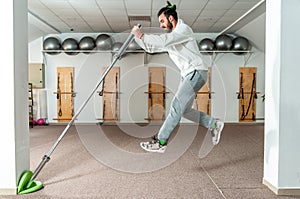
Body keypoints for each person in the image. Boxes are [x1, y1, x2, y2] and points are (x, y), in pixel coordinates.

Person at [131, 1, 224, 153]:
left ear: (171, 19)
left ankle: (161, 142)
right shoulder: (173, 36)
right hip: (188, 74)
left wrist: (141, 35)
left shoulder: (183, 30)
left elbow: (164, 41)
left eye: (162, 21)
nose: (161, 25)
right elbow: (151, 48)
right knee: (184, 110)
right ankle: (214, 124)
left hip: (196, 72)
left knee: (176, 106)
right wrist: (136, 38)